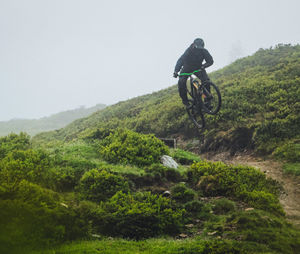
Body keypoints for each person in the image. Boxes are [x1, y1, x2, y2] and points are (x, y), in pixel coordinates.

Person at [173, 38, 214, 107]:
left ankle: (207, 100)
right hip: (186, 69)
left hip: (198, 68)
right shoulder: (189, 50)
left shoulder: (204, 51)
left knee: (206, 81)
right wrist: (176, 71)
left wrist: (204, 66)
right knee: (181, 82)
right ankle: (185, 101)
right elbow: (181, 60)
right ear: (193, 45)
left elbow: (210, 61)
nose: (199, 49)